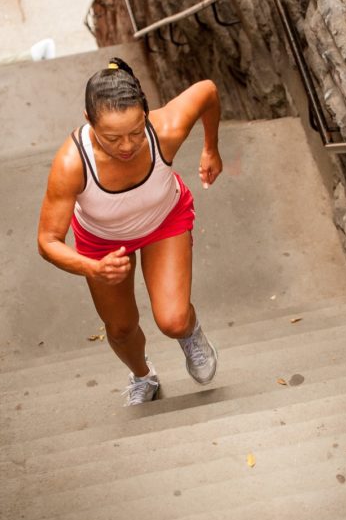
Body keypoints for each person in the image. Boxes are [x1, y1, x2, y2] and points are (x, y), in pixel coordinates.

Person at [37, 58, 222, 404]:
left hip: (163, 221)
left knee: (173, 320)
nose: (126, 146)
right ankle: (143, 376)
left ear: (146, 115)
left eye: (136, 132)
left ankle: (190, 333)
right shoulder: (72, 163)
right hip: (101, 242)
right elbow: (47, 241)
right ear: (88, 120)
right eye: (112, 138)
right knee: (120, 328)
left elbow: (208, 91)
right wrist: (92, 267)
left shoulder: (165, 130)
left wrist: (211, 149)